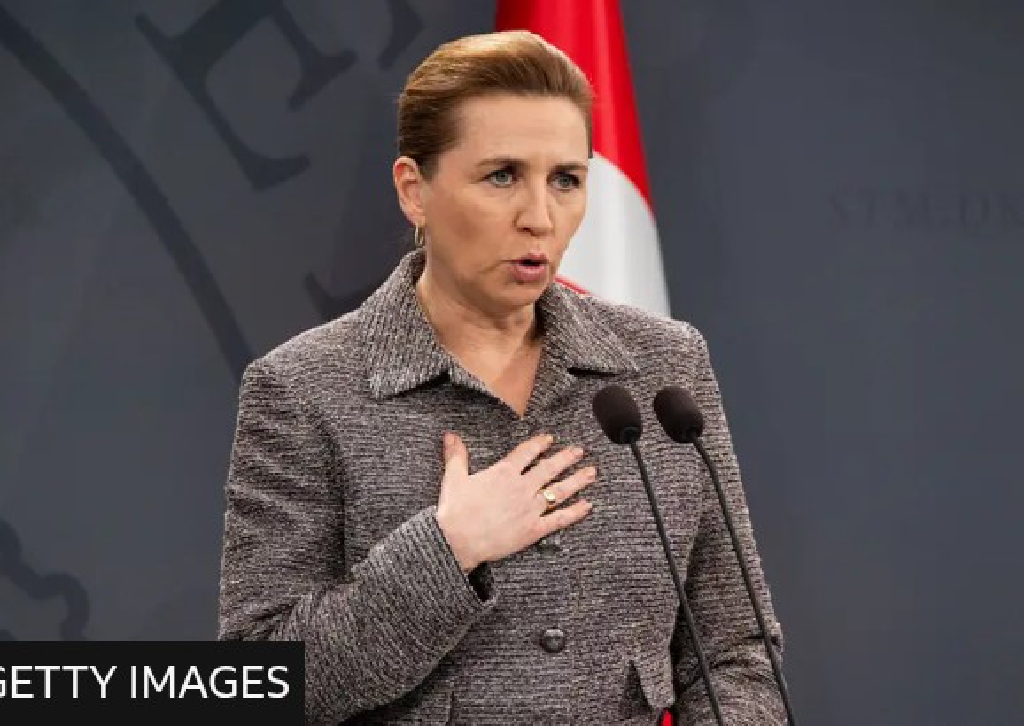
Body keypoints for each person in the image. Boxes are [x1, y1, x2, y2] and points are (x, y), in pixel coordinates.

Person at [217, 30, 785, 725]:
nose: (539, 218)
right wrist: (447, 549)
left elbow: (734, 651)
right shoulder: (303, 390)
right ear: (414, 190)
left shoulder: (664, 367)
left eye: (566, 180)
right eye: (502, 176)